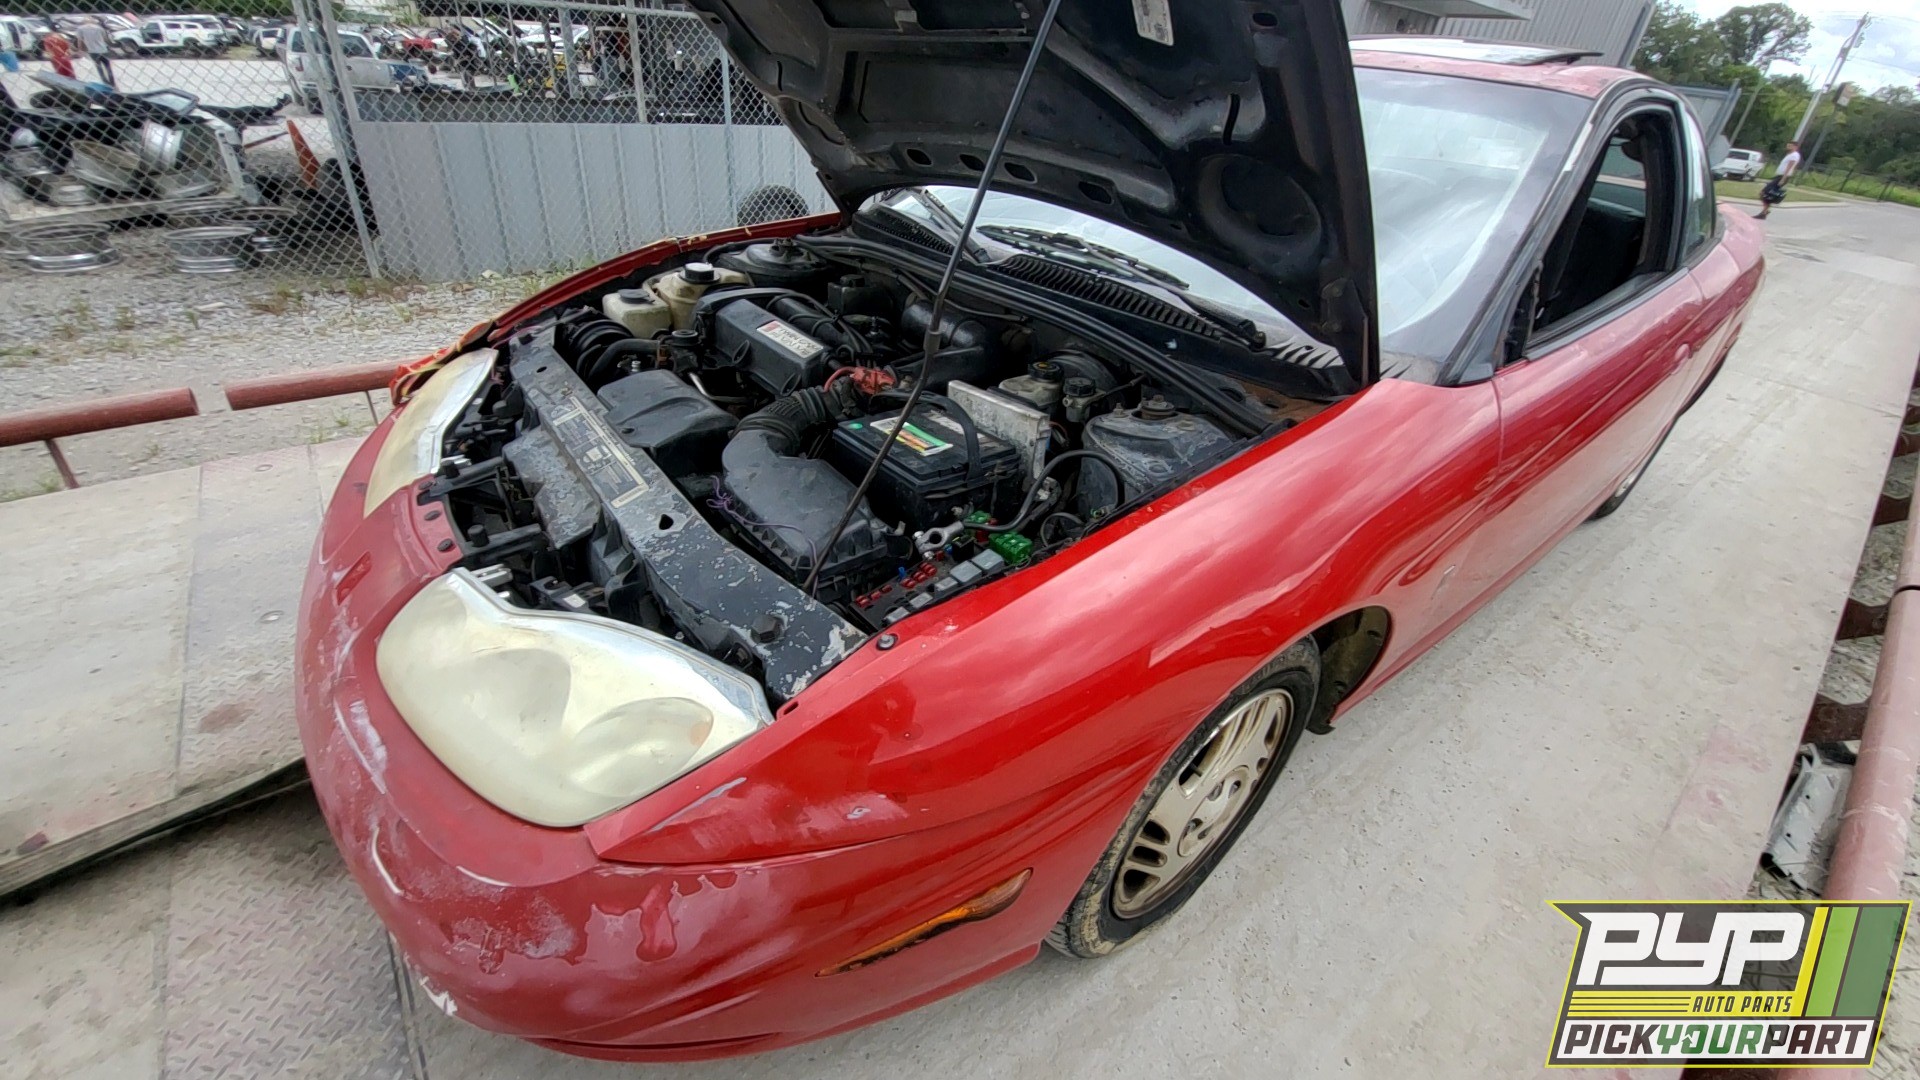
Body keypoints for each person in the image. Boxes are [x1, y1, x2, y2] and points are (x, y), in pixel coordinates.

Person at [1756, 141, 1803, 220]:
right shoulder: (1790, 155)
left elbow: (1789, 167)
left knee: (1765, 192)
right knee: (1767, 194)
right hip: (1779, 176)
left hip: (1782, 177)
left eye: (1790, 146)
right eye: (1788, 146)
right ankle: (1764, 212)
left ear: (1795, 147)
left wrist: (1783, 179)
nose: (1788, 147)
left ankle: (1764, 212)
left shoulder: (1794, 155)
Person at [76, 18, 113, 88]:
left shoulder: (80, 29)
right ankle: (112, 81)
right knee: (107, 65)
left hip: (92, 51)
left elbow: (80, 41)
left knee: (98, 66)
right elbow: (105, 39)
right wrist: (110, 45)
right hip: (103, 49)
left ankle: (105, 81)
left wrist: (80, 50)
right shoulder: (100, 28)